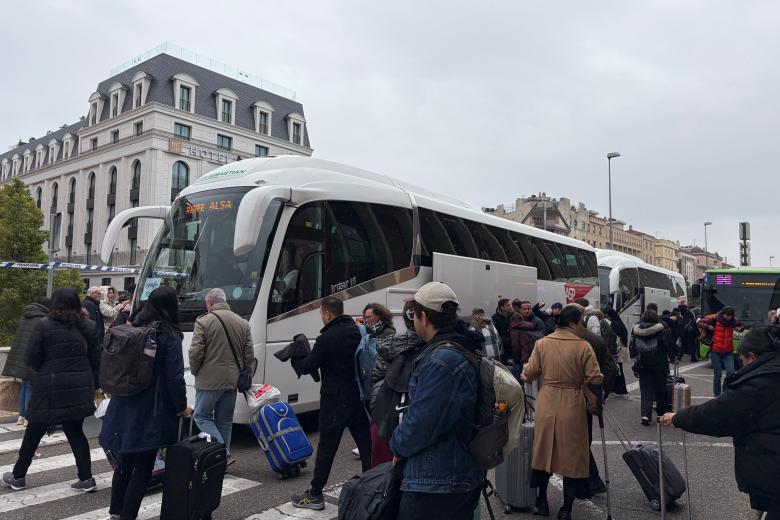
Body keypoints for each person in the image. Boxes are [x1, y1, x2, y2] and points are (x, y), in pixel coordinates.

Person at [661, 325, 780, 518]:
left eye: (743, 361)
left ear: (752, 356)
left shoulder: (763, 381)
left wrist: (678, 417)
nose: (743, 366)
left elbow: (719, 414)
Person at [390, 282, 482, 520]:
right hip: (453, 474)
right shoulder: (462, 346)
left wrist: (397, 444)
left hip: (437, 481)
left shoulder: (442, 359)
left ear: (422, 317)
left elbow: (422, 423)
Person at [100, 286, 190, 520]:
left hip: (123, 403)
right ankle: (128, 515)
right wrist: (181, 406)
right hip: (152, 410)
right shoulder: (168, 334)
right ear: (170, 306)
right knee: (143, 467)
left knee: (123, 463)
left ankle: (115, 512)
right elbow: (175, 377)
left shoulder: (133, 325)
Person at [2, 288, 100, 493]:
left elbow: (32, 359)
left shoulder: (43, 326)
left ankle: (18, 476)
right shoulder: (88, 327)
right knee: (75, 432)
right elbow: (95, 359)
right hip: (79, 387)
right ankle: (86, 478)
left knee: (34, 432)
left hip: (49, 387)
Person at [522, 304, 604, 519]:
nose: (582, 327)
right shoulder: (583, 346)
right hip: (573, 402)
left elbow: (528, 374)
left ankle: (541, 502)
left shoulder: (542, 343)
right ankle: (566, 509)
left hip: (547, 401)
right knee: (572, 458)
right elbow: (595, 377)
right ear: (573, 323)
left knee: (543, 452)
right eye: (581, 323)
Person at [291, 297, 371, 511]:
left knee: (327, 448)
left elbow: (308, 365)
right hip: (356, 396)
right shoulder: (356, 331)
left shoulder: (326, 338)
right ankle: (374, 488)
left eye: (321, 314)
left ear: (327, 314)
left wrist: (295, 356)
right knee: (366, 445)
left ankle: (315, 494)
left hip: (334, 400)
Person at [189, 288, 254, 462]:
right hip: (232, 380)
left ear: (210, 302)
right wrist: (247, 375)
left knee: (201, 416)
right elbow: (249, 355)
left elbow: (196, 352)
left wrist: (195, 371)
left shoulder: (203, 322)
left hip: (209, 380)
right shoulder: (243, 323)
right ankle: (222, 459)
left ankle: (221, 453)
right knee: (224, 421)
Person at [369, 300, 424, 467]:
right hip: (414, 424)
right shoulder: (437, 350)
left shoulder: (390, 347)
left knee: (384, 477)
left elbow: (376, 380)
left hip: (385, 420)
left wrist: (380, 409)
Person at [574, 310, 616, 496]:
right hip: (592, 395)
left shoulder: (570, 341)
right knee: (584, 439)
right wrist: (602, 393)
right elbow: (610, 368)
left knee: (576, 441)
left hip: (574, 396)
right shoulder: (595, 339)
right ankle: (589, 480)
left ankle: (590, 479)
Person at [2, 297, 51, 427]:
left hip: (20, 356)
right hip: (31, 357)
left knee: (25, 384)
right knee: (30, 385)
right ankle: (29, 416)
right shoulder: (42, 319)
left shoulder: (25, 315)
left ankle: (21, 416)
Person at [630, 309, 676, 425]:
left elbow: (632, 348)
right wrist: (673, 356)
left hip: (643, 364)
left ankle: (645, 415)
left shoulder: (636, 330)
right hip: (659, 363)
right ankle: (661, 414)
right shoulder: (661, 330)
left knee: (645, 390)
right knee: (660, 389)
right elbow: (669, 345)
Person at [698, 306, 744, 396]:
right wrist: (708, 326)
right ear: (723, 314)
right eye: (727, 315)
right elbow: (699, 322)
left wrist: (740, 329)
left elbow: (741, 326)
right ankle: (717, 394)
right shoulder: (715, 319)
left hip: (728, 351)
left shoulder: (733, 322)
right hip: (715, 351)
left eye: (730, 315)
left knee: (731, 372)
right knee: (717, 375)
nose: (729, 317)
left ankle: (726, 392)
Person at [492, 298, 513, 362]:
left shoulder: (511, 316)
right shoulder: (496, 318)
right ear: (502, 307)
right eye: (507, 305)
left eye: (510, 305)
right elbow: (501, 336)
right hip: (503, 349)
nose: (510, 307)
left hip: (510, 347)